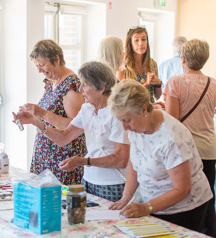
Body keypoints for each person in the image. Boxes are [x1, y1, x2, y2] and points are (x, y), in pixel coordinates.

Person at [14, 61, 130, 202]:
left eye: (85, 85)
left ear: (101, 88)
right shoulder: (87, 109)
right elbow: (63, 137)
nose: (80, 89)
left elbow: (121, 159)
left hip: (113, 184)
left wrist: (82, 161)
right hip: (88, 181)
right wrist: (35, 122)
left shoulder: (117, 114)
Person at [108, 79, 212, 232]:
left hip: (184, 209)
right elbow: (136, 163)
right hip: (153, 206)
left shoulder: (170, 138)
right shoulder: (138, 128)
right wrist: (126, 196)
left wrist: (146, 207)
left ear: (144, 110)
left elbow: (182, 189)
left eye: (126, 120)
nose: (124, 127)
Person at [164, 39, 216, 236]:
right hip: (209, 148)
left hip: (185, 150)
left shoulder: (175, 82)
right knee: (207, 196)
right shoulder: (213, 83)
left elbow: (172, 121)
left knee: (183, 199)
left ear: (182, 59)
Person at [17, 39, 86, 185]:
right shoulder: (51, 83)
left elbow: (76, 126)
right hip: (45, 156)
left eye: (41, 65)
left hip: (63, 158)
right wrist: (32, 117)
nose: (39, 70)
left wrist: (41, 113)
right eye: (37, 66)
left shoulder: (71, 85)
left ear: (56, 59)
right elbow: (47, 117)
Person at [117, 26, 162, 103]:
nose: (141, 43)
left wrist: (158, 83)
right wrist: (146, 84)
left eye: (143, 39)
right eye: (136, 40)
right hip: (132, 112)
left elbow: (157, 96)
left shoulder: (153, 64)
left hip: (151, 110)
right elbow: (125, 97)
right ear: (130, 43)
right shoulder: (122, 65)